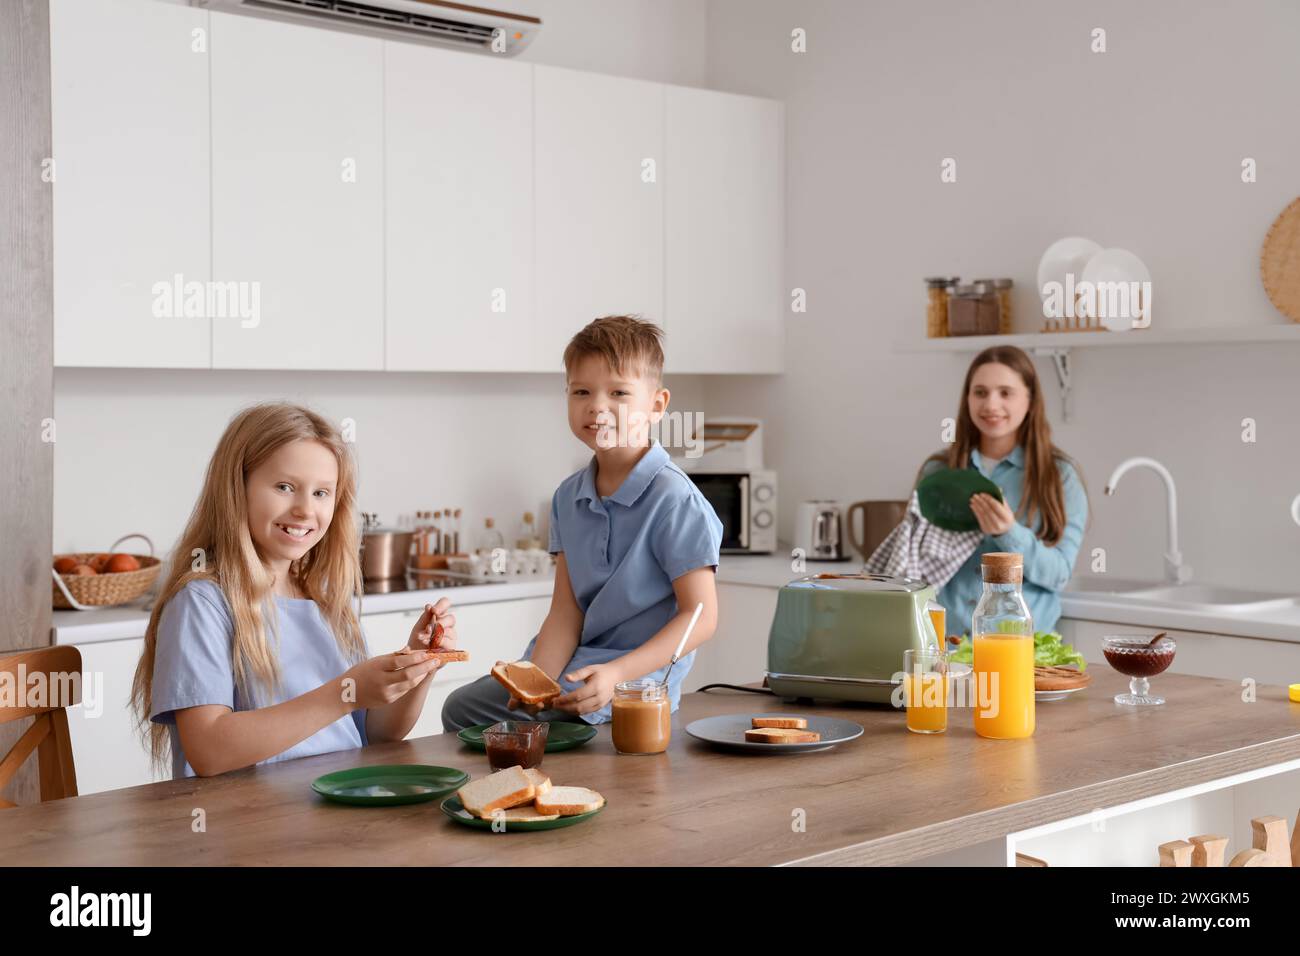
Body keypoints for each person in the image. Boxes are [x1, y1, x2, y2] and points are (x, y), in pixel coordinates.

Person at [131, 402, 460, 777]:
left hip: (336, 807)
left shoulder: (323, 600)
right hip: (249, 826)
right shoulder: (203, 602)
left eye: (321, 493)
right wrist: (344, 691)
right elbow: (209, 749)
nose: (305, 509)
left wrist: (422, 665)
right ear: (236, 489)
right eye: (285, 487)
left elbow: (377, 733)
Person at [441, 316, 723, 731]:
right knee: (463, 710)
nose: (597, 406)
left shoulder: (675, 500)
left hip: (635, 682)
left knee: (553, 731)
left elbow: (700, 617)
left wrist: (616, 673)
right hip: (575, 666)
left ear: (657, 406)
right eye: (581, 392)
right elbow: (566, 611)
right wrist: (534, 683)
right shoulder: (567, 497)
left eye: (619, 393)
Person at [917, 346, 1088, 634]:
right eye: (980, 392)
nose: (991, 405)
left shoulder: (1059, 476)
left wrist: (1008, 532)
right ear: (967, 398)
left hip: (1023, 650)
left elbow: (1059, 574)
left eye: (1005, 393)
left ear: (1030, 399)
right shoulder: (938, 472)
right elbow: (913, 562)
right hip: (946, 647)